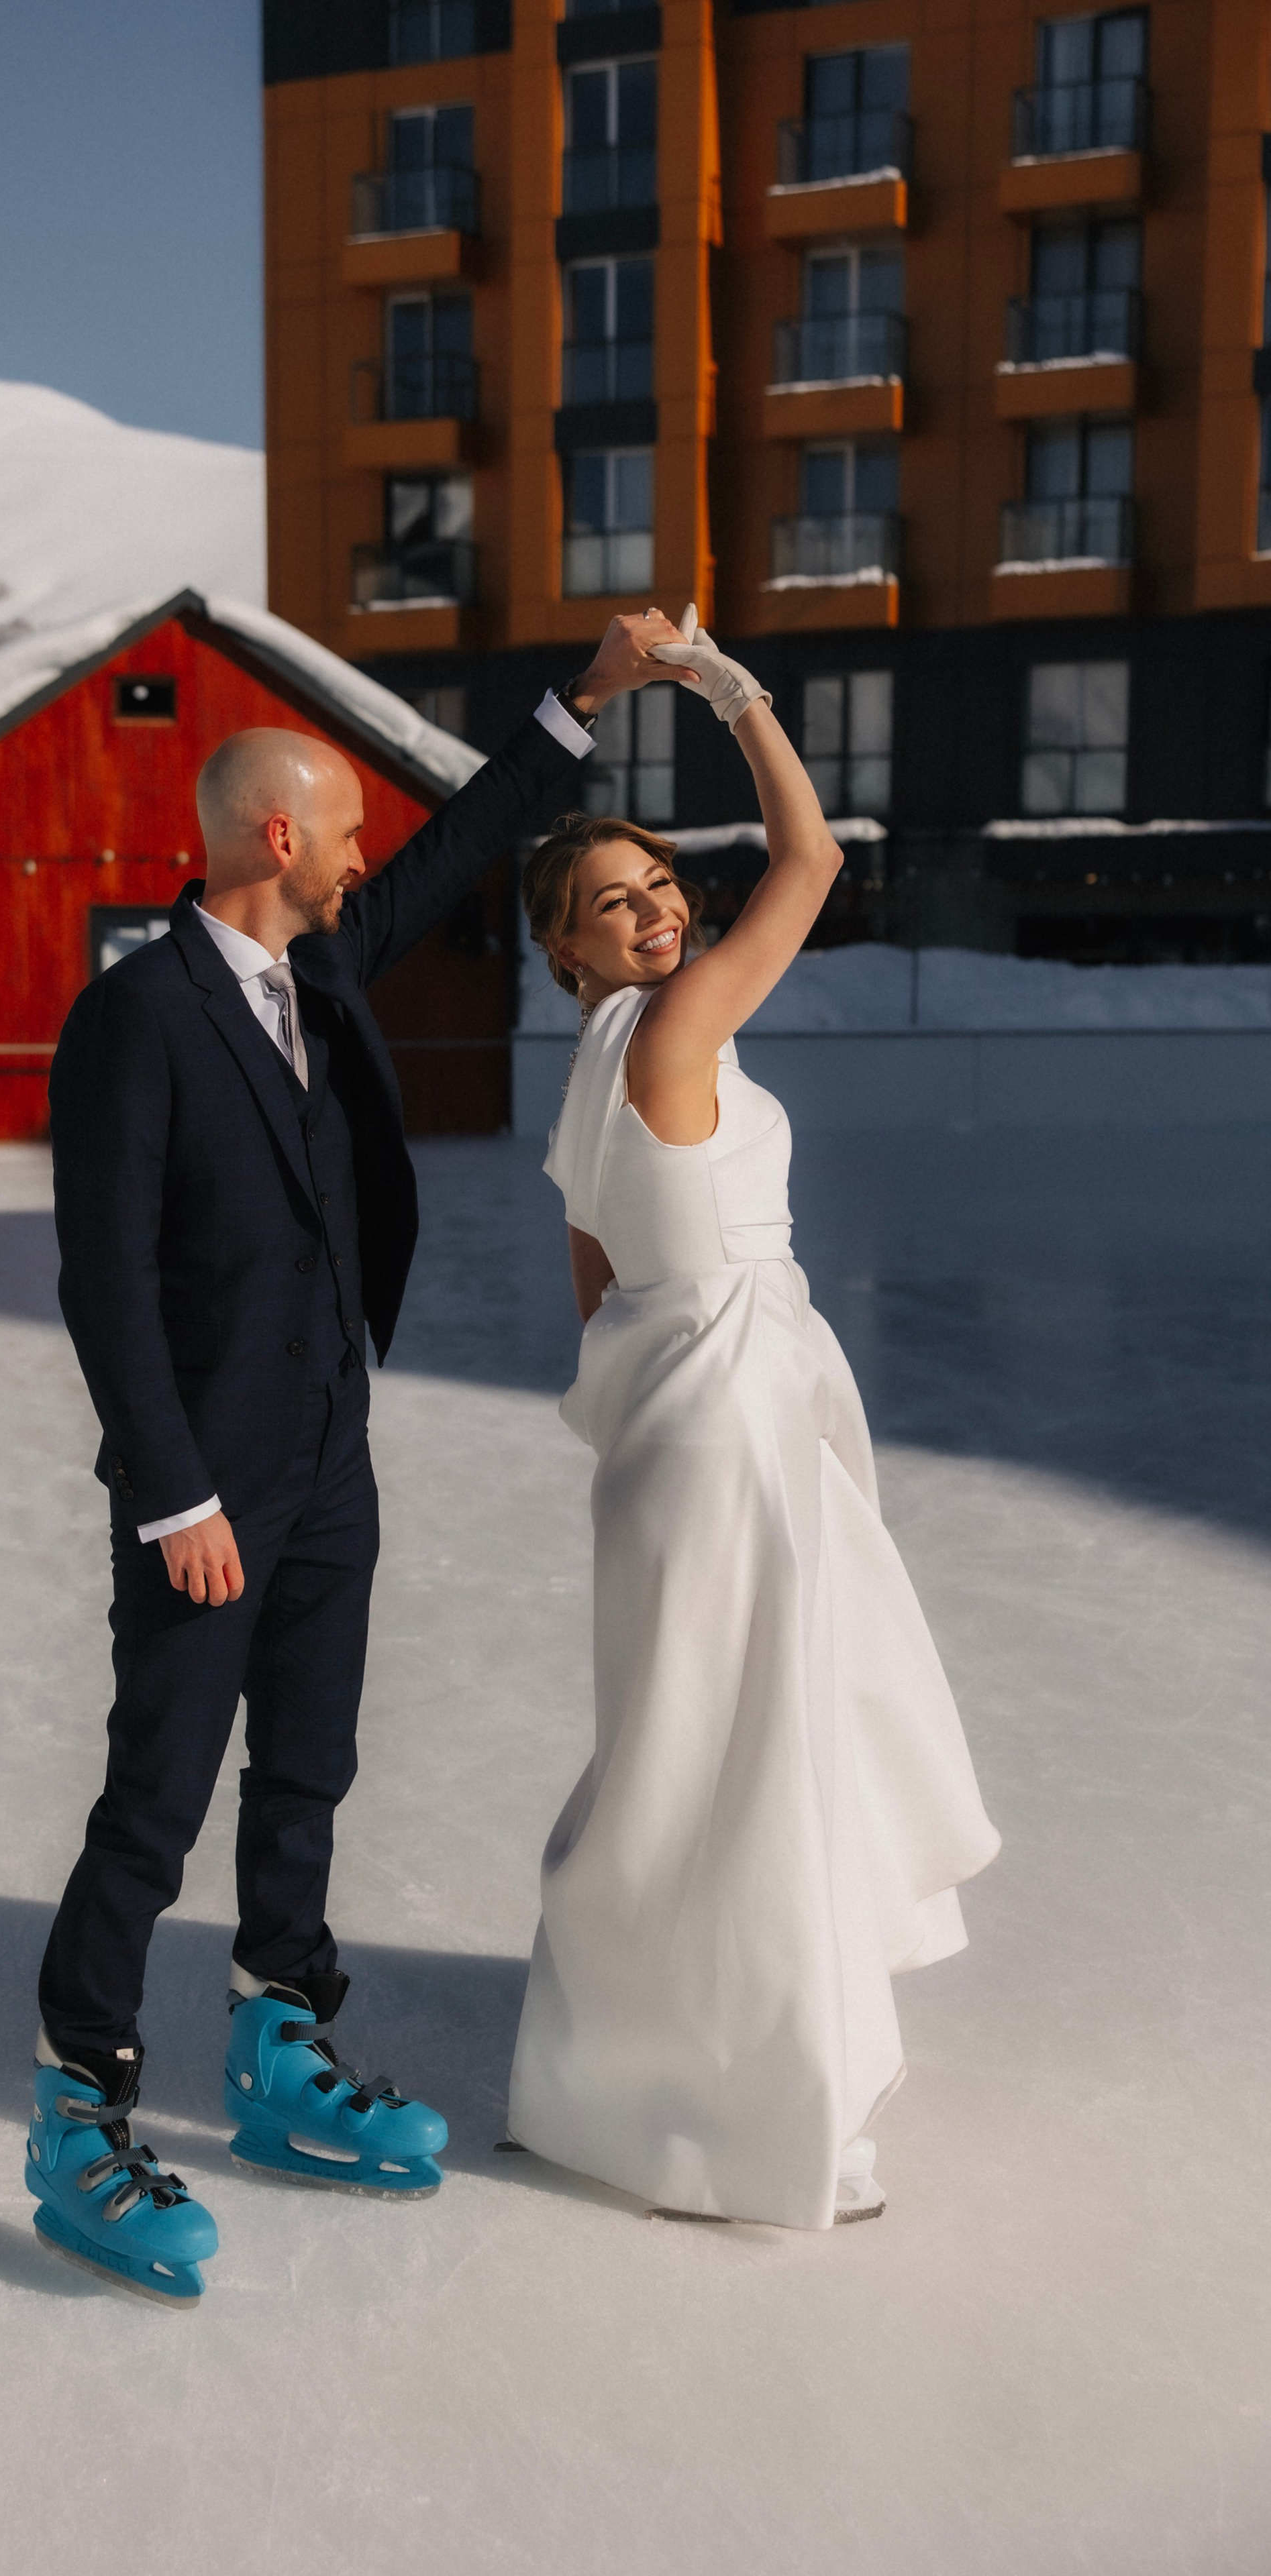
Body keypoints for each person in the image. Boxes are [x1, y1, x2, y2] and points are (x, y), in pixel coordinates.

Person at [26, 611, 679, 2302]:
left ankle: (276, 2048)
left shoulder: (315, 968)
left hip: (329, 1463)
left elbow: (462, 840)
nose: (362, 853)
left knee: (306, 1773)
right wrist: (173, 1494)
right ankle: (76, 2107)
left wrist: (580, 702)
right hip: (205, 1489)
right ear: (272, 837)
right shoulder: (136, 1018)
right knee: (153, 1805)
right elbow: (100, 1280)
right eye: (340, 831)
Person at [506, 611, 1001, 2229]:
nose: (651, 912)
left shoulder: (582, 1077)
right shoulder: (669, 1028)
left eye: (658, 889)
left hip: (682, 1430)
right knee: (761, 1756)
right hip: (728, 1428)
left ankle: (618, 2078)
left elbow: (594, 1293)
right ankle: (768, 2113)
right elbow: (808, 859)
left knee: (679, 1763)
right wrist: (721, 685)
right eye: (609, 905)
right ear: (564, 950)